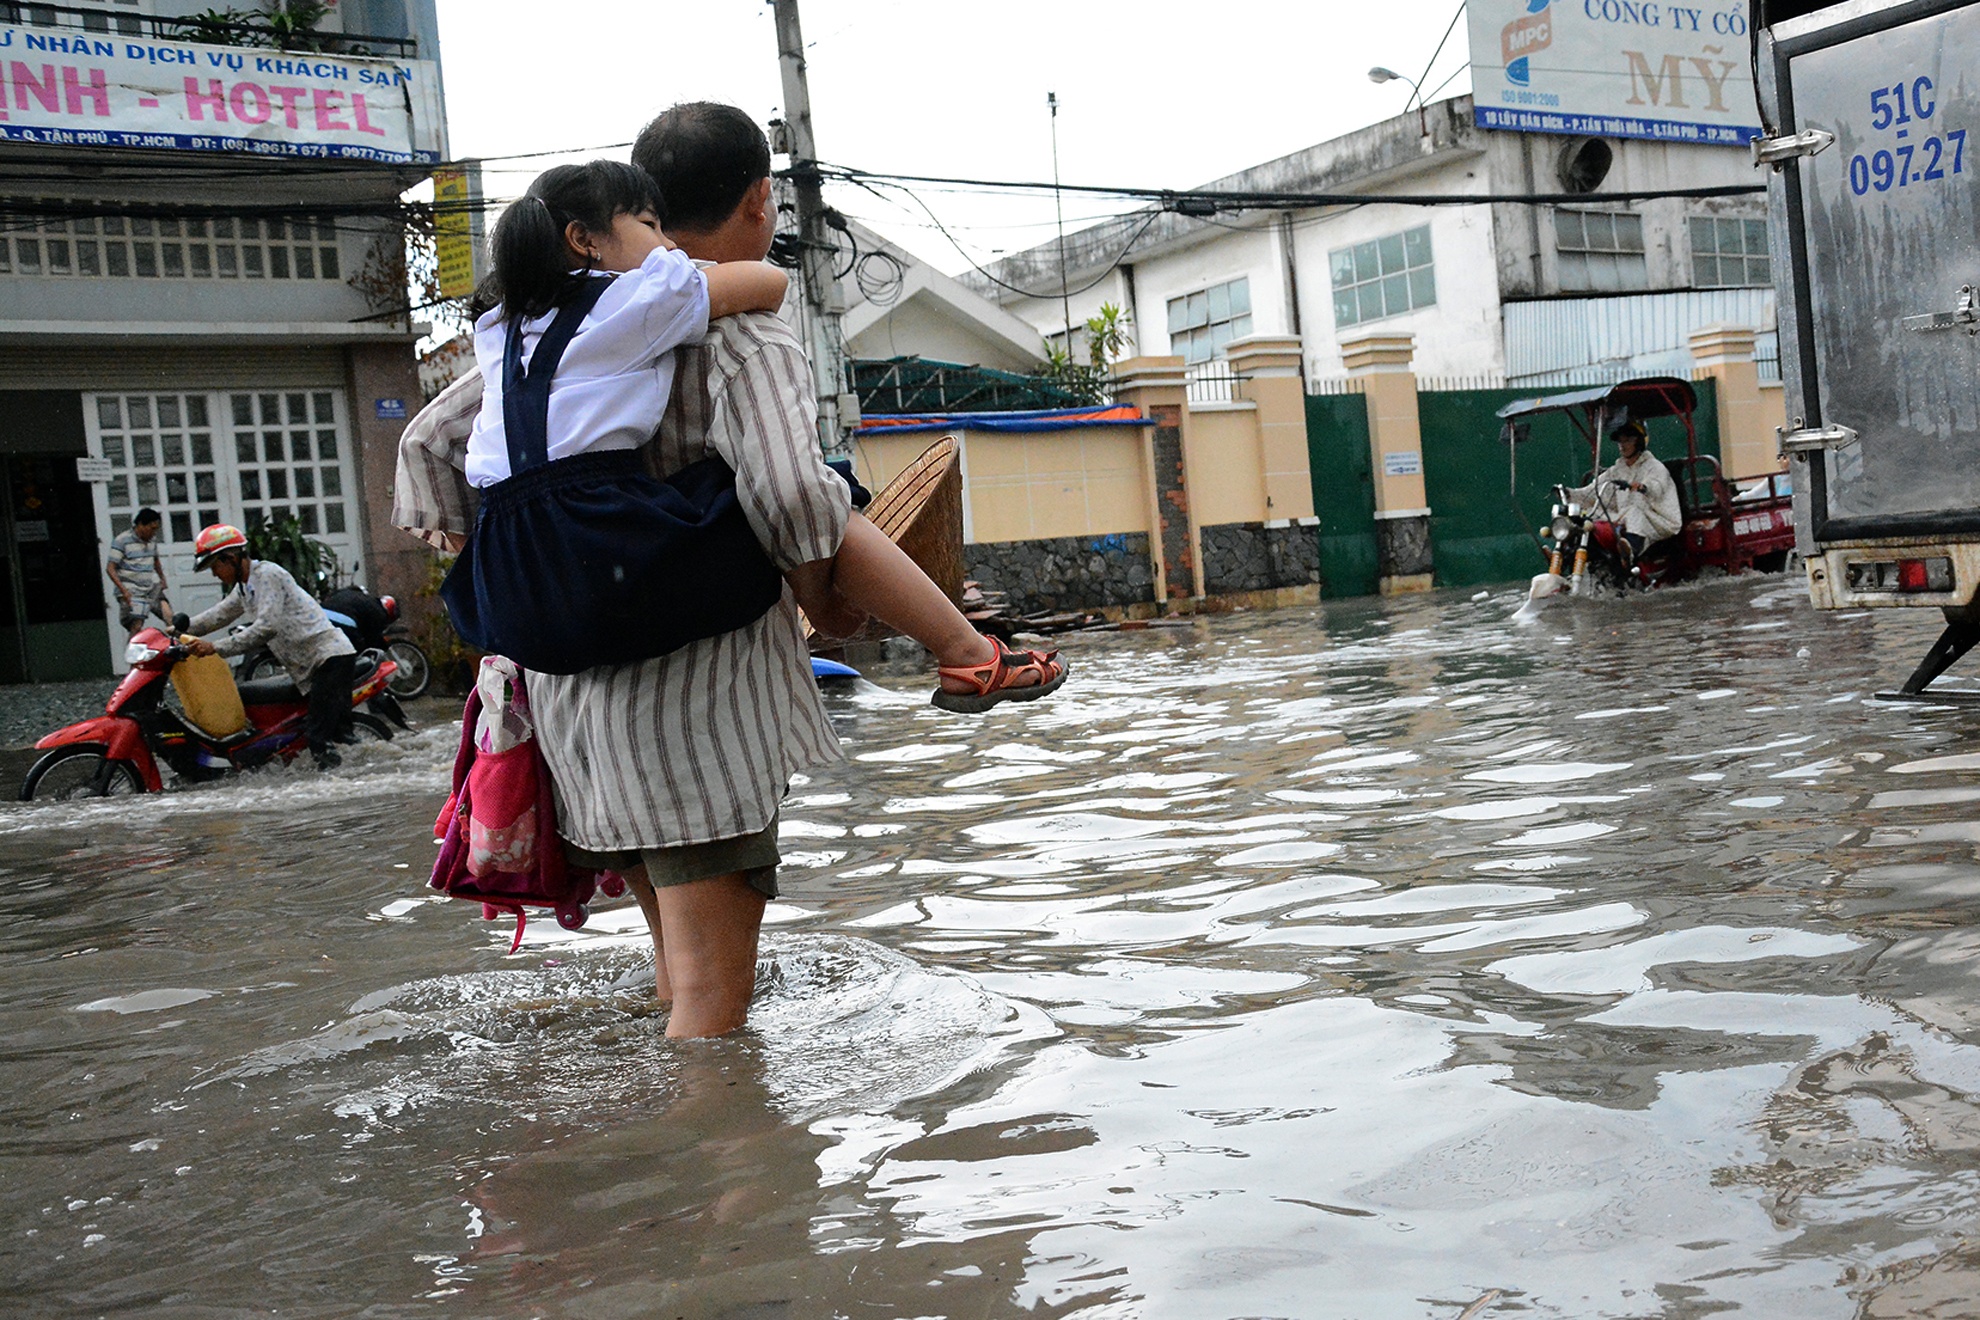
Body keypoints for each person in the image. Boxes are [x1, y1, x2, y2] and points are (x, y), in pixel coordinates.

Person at [395, 106, 1061, 1039]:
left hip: (576, 704)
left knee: (675, 970)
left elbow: (427, 441)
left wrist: (519, 557)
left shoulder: (537, 341)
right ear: (760, 199)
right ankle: (722, 1173)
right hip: (691, 707)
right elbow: (793, 495)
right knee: (715, 998)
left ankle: (677, 1176)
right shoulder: (733, 326)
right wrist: (823, 602)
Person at [180, 523, 357, 770]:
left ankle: (344, 789)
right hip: (313, 665)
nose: (214, 574)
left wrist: (216, 647)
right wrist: (177, 630)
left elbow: (266, 627)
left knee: (318, 738)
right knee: (339, 735)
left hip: (329, 658)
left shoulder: (268, 575)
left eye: (215, 566)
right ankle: (360, 771)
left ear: (231, 558)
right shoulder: (245, 586)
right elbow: (219, 615)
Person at [1566, 418, 1682, 559]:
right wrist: (1569, 494)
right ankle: (1567, 552)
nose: (1622, 445)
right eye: (1620, 441)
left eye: (1627, 440)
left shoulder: (1654, 466)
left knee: (1634, 512)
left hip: (1656, 520)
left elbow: (1656, 487)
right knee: (1588, 514)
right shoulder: (1616, 470)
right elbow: (1592, 491)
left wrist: (1643, 487)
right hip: (1624, 517)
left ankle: (1630, 551)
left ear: (1639, 442)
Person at [106, 507, 172, 635]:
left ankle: (179, 648)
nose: (154, 533)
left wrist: (162, 578)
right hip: (131, 590)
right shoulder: (122, 540)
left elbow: (155, 560)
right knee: (136, 626)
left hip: (150, 586)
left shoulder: (152, 540)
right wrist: (124, 591)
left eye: (156, 529)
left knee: (169, 616)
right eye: (151, 529)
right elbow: (110, 568)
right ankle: (132, 653)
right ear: (141, 525)